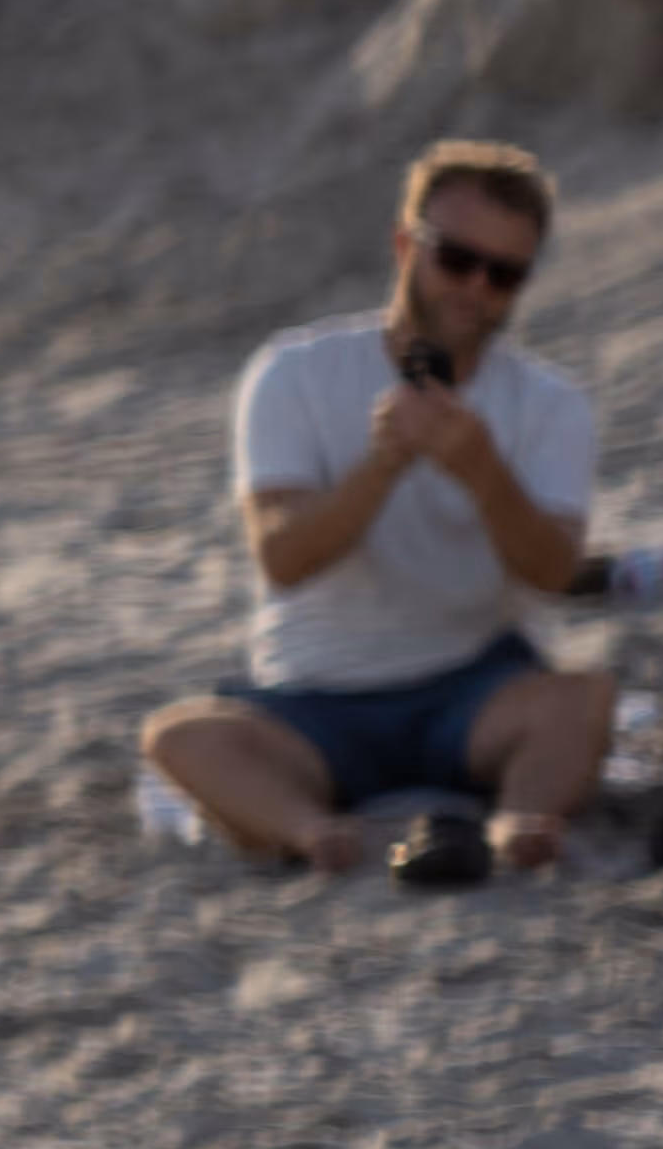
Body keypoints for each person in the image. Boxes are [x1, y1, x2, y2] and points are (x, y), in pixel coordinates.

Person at [141, 141, 606, 876]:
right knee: (181, 738)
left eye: (504, 274)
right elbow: (283, 559)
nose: (475, 288)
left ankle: (519, 822)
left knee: (582, 701)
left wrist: (482, 472)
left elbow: (553, 574)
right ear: (403, 246)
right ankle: (310, 832)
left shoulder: (551, 404)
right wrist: (383, 465)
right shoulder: (293, 372)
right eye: (456, 260)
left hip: (476, 688)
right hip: (313, 700)